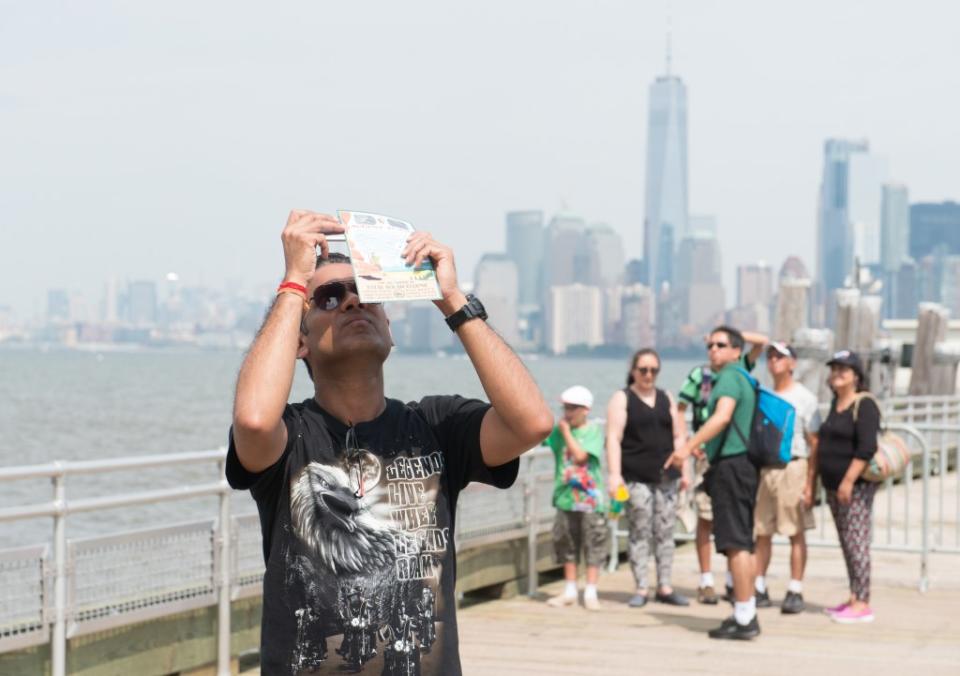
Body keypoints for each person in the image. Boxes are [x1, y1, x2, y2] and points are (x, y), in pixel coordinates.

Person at [227, 210, 554, 675]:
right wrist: (294, 280)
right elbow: (254, 421)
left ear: (391, 327)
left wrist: (453, 300)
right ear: (299, 342)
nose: (352, 302)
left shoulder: (436, 425)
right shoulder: (290, 435)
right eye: (330, 297)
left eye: (368, 292)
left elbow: (533, 423)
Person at [665, 326, 760, 640]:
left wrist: (685, 448)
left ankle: (745, 617)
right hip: (741, 465)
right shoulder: (741, 376)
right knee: (740, 543)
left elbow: (720, 417)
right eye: (710, 345)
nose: (713, 350)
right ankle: (744, 612)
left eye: (721, 345)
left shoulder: (731, 377)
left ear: (736, 351)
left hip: (732, 467)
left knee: (736, 544)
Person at [607, 349, 691, 608]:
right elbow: (613, 438)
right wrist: (614, 475)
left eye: (653, 370)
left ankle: (664, 585)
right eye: (643, 369)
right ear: (633, 370)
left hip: (666, 475)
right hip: (636, 476)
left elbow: (679, 436)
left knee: (666, 531)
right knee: (639, 530)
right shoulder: (622, 398)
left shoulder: (666, 397)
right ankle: (641, 586)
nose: (648, 375)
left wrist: (685, 469)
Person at [753, 342, 820, 614]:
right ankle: (758, 585)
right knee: (761, 531)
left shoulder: (805, 397)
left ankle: (795, 588)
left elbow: (815, 442)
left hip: (794, 466)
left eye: (780, 356)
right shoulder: (763, 395)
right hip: (765, 468)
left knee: (795, 531)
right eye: (770, 357)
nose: (773, 361)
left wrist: (810, 483)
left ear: (792, 363)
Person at [816, 350, 880, 624]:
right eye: (834, 369)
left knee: (857, 543)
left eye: (844, 369)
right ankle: (854, 595)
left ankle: (863, 601)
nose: (837, 373)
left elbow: (867, 448)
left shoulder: (864, 404)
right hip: (833, 487)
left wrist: (848, 481)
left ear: (856, 375)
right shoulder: (836, 403)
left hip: (855, 487)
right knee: (846, 543)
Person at [543, 385, 609, 611]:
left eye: (572, 408)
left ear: (585, 409)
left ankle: (591, 591)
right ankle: (570, 589)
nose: (567, 412)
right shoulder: (558, 431)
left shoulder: (593, 432)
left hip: (590, 500)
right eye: (565, 408)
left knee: (594, 544)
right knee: (567, 543)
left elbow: (581, 457)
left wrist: (566, 433)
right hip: (565, 498)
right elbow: (536, 437)